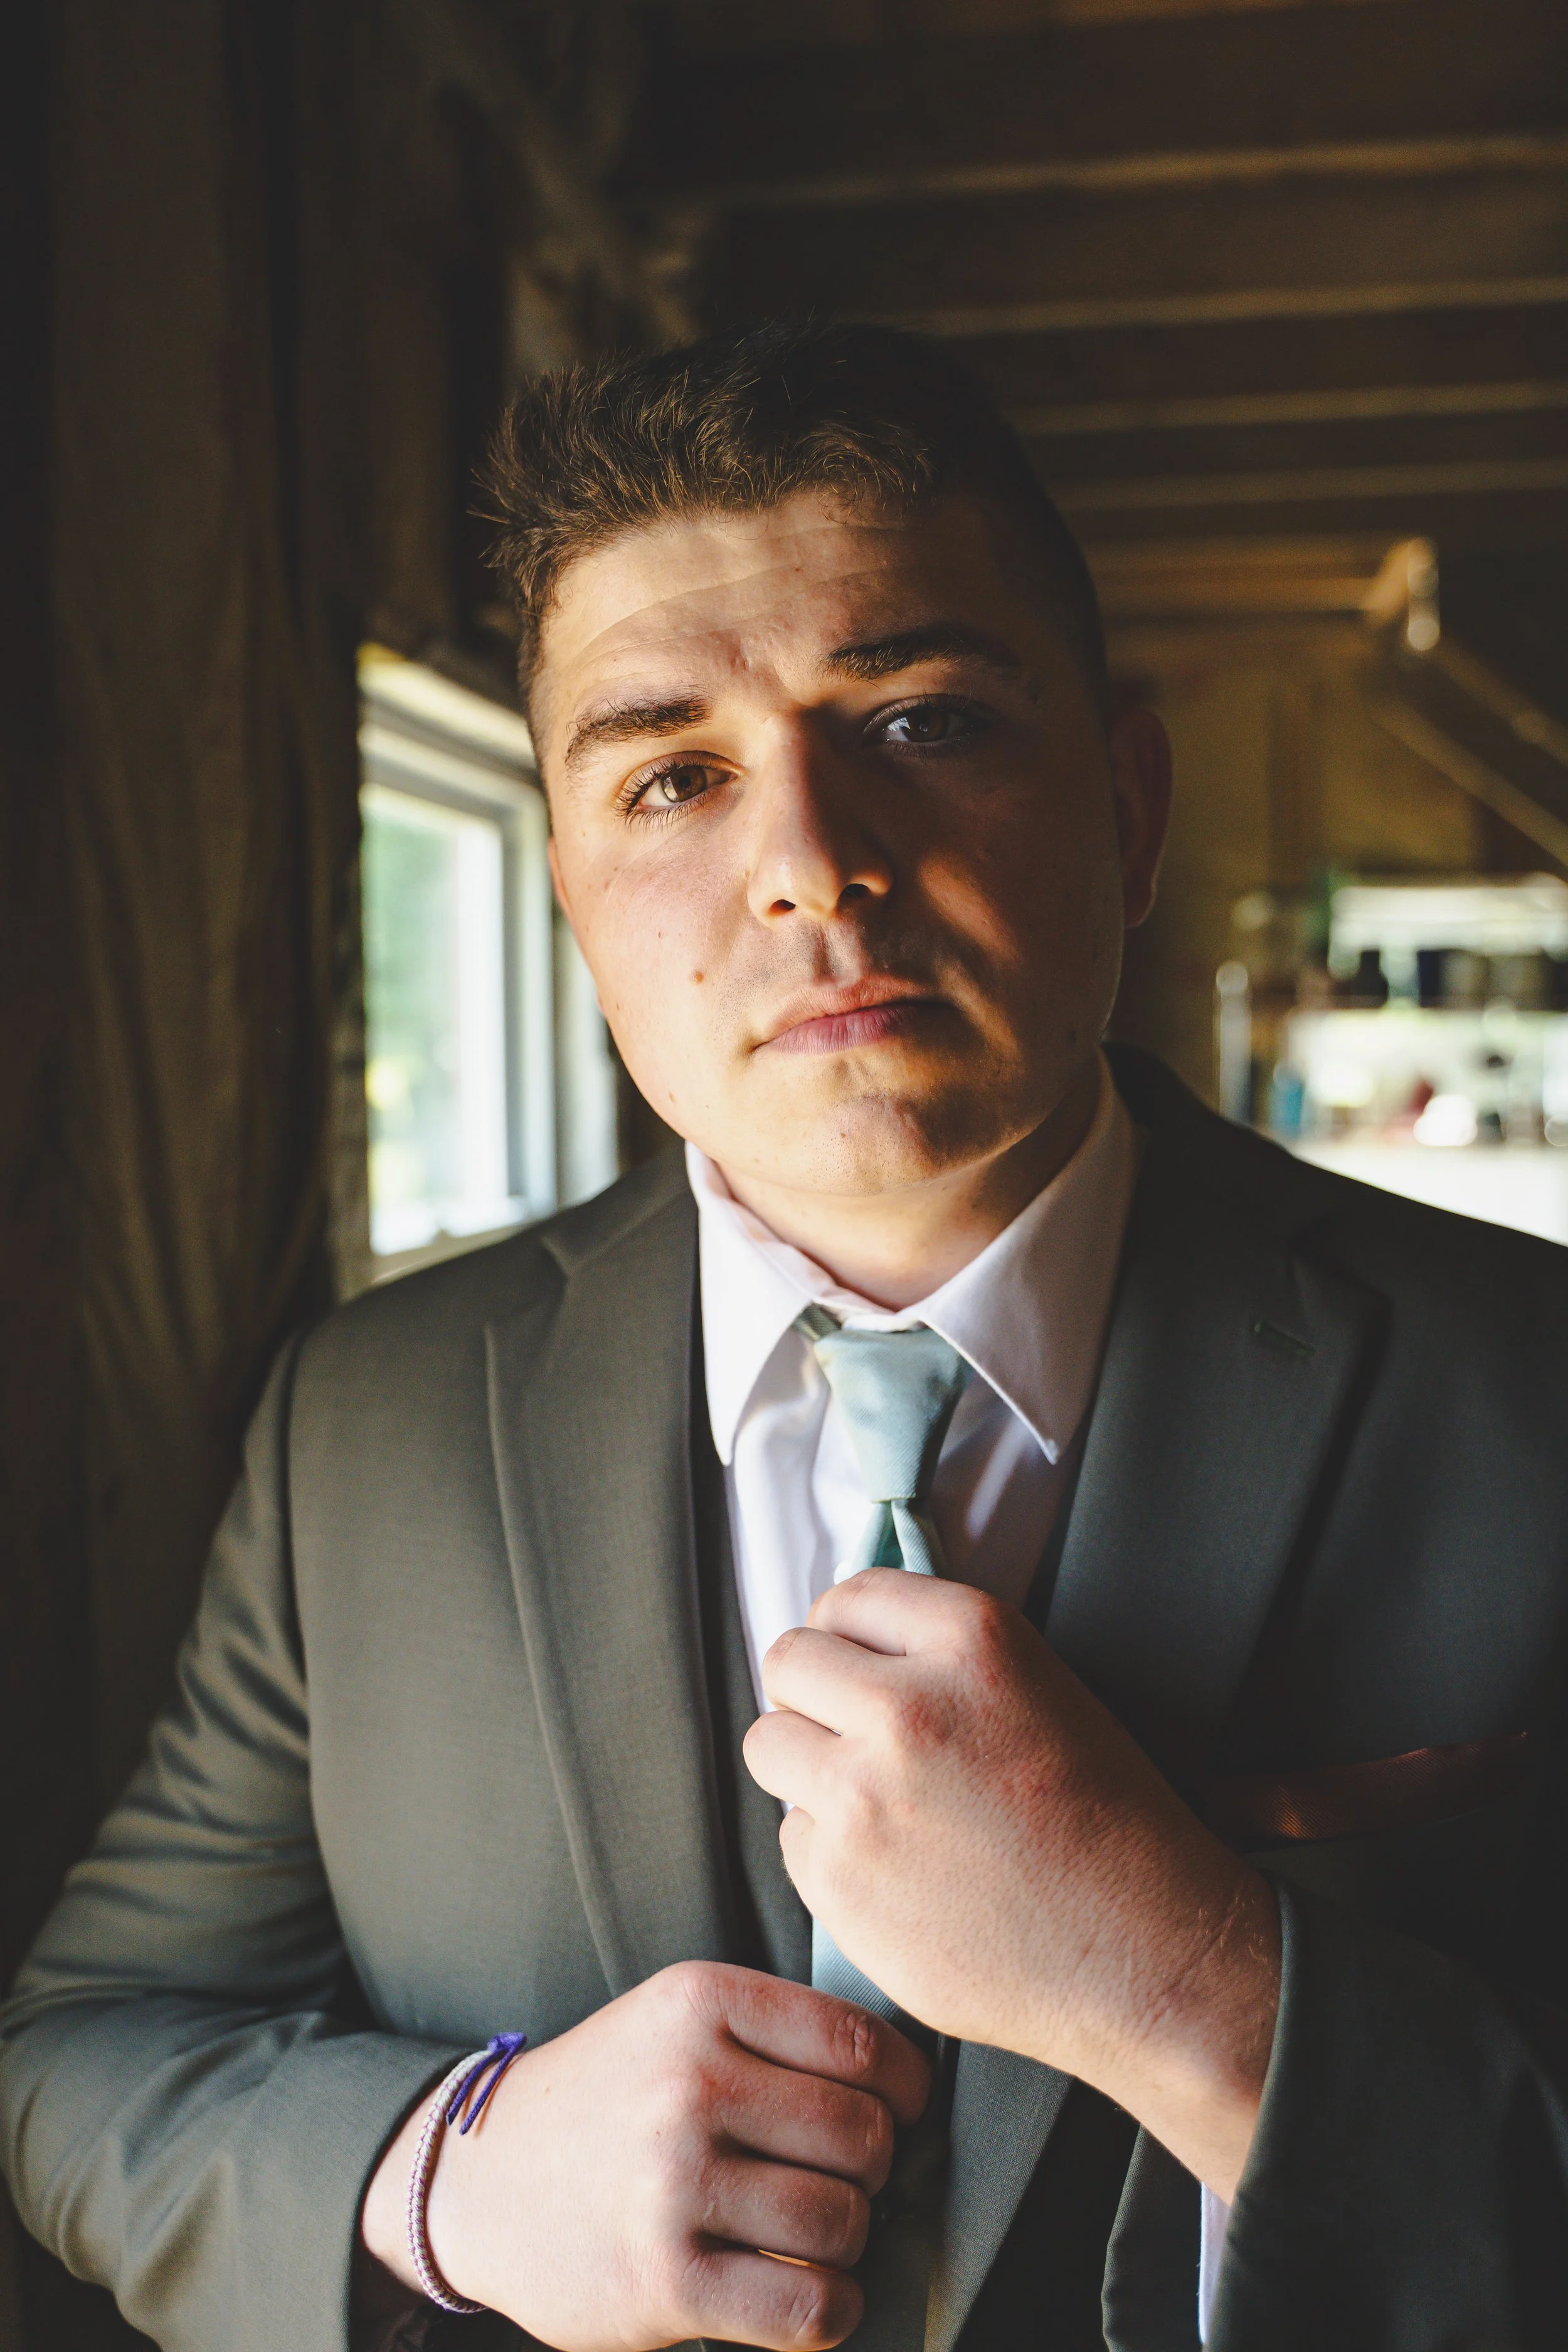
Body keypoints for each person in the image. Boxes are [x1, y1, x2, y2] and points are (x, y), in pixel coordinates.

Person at [4, 320, 1568, 2352]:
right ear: (569, 892)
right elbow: (84, 2051)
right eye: (672, 774)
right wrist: (454, 2168)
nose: (811, 861)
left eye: (919, 721)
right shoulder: (366, 1425)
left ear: (1127, 797)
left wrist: (1200, 1993)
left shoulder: (1530, 1383)